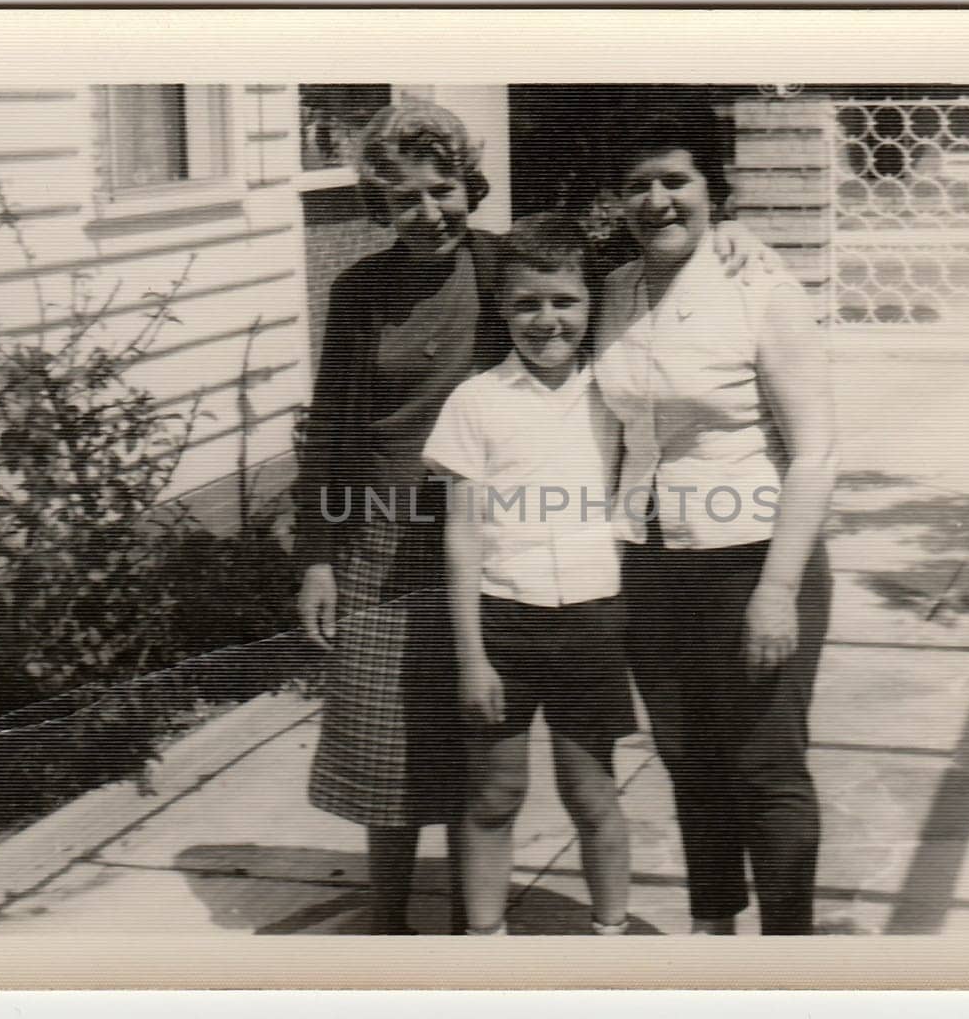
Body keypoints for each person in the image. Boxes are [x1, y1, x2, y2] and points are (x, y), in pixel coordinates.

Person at [292, 99, 778, 935]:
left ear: (469, 187)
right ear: (379, 205)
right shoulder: (360, 290)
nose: (428, 211)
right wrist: (316, 553)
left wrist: (730, 237)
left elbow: (625, 268)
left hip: (502, 541)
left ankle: (480, 921)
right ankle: (387, 917)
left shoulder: (503, 269)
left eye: (442, 189)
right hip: (383, 530)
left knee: (490, 745)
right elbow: (330, 424)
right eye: (404, 199)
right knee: (392, 738)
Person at [595, 107, 839, 936]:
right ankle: (713, 926)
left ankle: (789, 952)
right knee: (687, 755)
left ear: (713, 191)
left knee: (765, 764)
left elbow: (816, 452)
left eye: (677, 180)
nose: (657, 200)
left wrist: (777, 590)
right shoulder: (614, 292)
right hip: (651, 562)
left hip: (754, 560)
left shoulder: (762, 287)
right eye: (638, 184)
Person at [423, 213, 633, 937]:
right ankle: (486, 949)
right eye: (526, 304)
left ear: (590, 304)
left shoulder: (617, 393)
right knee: (495, 793)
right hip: (505, 622)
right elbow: (461, 532)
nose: (547, 320)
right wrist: (471, 654)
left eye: (565, 301)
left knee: (592, 792)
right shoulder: (476, 401)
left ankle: (611, 940)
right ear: (502, 309)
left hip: (592, 620)